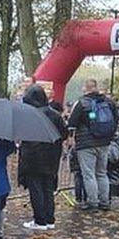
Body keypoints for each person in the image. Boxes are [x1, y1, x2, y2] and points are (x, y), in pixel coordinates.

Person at [18, 85, 68, 230]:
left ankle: (39, 220)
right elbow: (63, 134)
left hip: (33, 157)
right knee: (48, 188)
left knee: (36, 189)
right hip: (51, 157)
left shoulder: (28, 115)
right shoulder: (55, 115)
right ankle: (49, 219)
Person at [67, 79, 117, 211]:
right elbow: (115, 121)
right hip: (104, 142)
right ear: (96, 87)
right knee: (102, 173)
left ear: (85, 88)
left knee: (89, 174)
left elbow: (72, 123)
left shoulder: (82, 103)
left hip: (86, 144)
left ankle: (93, 202)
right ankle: (105, 201)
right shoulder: (108, 102)